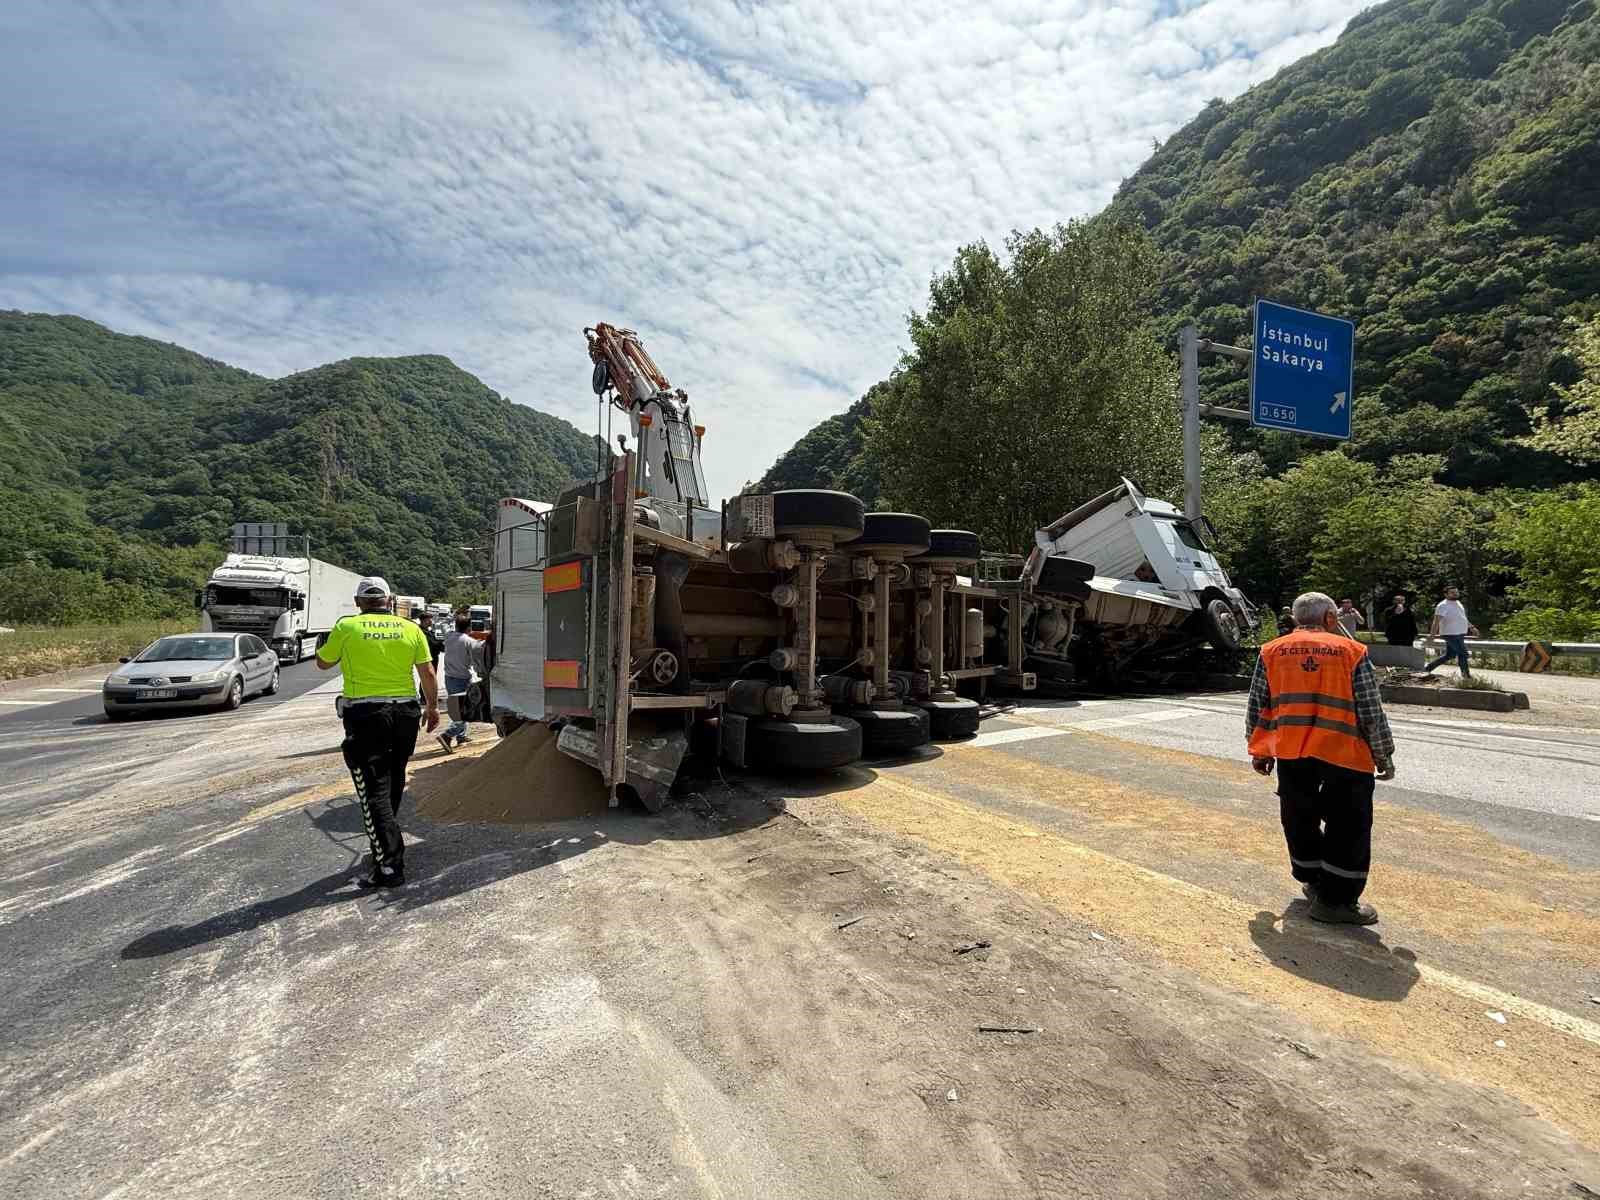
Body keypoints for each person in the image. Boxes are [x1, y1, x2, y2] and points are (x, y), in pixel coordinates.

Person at [1246, 591, 1396, 925]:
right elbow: (1370, 710)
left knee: (1299, 815)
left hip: (1292, 750)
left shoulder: (1271, 651)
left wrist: (1259, 750)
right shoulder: (1351, 651)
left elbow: (1258, 705)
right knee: (1348, 824)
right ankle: (1336, 901)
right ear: (1330, 618)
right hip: (1345, 751)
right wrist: (1383, 753)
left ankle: (1313, 881)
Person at [316, 577, 440, 889]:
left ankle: (389, 865)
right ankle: (385, 846)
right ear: (388, 601)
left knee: (373, 789)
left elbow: (323, 663)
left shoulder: (347, 627)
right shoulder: (410, 628)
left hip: (367, 714)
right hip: (406, 713)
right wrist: (434, 708)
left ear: (359, 602)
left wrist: (324, 644)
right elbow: (427, 672)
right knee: (394, 778)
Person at [438, 612, 484, 752]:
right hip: (462, 678)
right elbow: (478, 658)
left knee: (456, 707)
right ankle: (447, 735)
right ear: (469, 627)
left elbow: (444, 626)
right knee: (464, 709)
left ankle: (461, 736)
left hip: (449, 677)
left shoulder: (449, 637)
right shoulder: (468, 641)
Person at [1424, 585, 1479, 678]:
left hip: (1460, 633)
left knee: (1450, 655)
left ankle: (1427, 668)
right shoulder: (1442, 605)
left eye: (1456, 592)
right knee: (1463, 653)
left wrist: (1472, 627)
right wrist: (1432, 636)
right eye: (1452, 593)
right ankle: (1466, 676)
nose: (1455, 594)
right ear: (1446, 594)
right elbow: (1436, 621)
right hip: (1450, 634)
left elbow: (1463, 618)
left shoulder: (1458, 603)